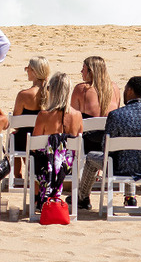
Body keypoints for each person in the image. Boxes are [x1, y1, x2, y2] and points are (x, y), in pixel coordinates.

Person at [74, 76, 141, 210]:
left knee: (92, 157)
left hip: (120, 167)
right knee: (131, 153)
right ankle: (130, 197)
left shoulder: (117, 115)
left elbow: (106, 146)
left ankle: (83, 197)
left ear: (129, 90)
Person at [30, 72, 83, 206]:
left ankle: (38, 197)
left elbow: (35, 145)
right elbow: (79, 141)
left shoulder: (44, 115)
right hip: (68, 165)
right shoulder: (77, 115)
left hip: (47, 165)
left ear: (52, 91)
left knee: (35, 157)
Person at [71, 56, 121, 154]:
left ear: (91, 72)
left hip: (89, 143)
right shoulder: (114, 88)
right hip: (109, 141)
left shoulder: (81, 89)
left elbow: (73, 116)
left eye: (83, 69)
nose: (81, 71)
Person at [11, 56, 50, 177]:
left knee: (15, 136)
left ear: (34, 71)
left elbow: (15, 122)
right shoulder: (52, 92)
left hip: (25, 140)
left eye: (28, 68)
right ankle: (31, 171)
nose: (26, 70)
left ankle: (18, 176)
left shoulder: (24, 95)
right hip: (45, 139)